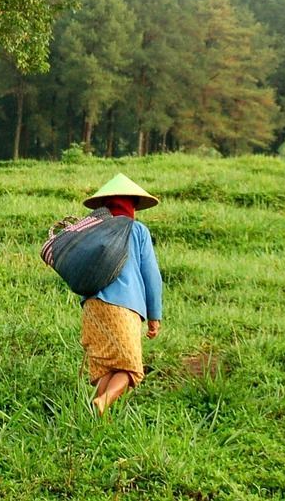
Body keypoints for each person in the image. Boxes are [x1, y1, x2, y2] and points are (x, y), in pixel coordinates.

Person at [78, 172, 163, 416]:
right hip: (124, 307)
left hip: (92, 307)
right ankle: (102, 404)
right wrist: (154, 315)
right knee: (132, 369)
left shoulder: (92, 229)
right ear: (132, 204)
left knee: (106, 368)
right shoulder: (138, 231)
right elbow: (152, 275)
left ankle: (96, 421)